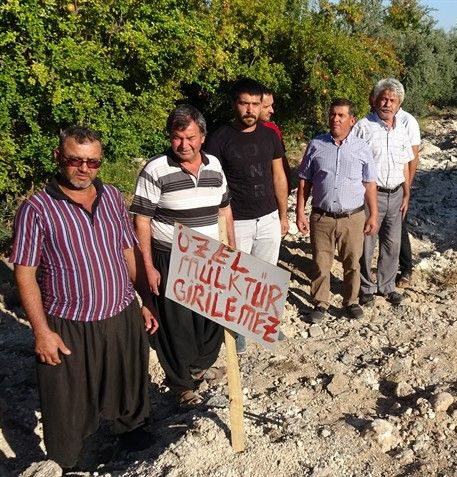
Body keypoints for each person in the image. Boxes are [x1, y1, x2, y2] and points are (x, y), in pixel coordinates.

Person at [11, 126, 158, 469]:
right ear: (58, 158)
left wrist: (146, 302)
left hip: (120, 310)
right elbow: (25, 273)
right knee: (68, 400)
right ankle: (70, 460)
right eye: (75, 160)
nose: (83, 169)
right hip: (68, 321)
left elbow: (128, 251)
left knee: (128, 380)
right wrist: (41, 332)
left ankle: (132, 431)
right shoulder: (37, 208)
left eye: (92, 163)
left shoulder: (112, 198)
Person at [131, 104, 236, 407]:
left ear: (202, 136)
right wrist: (147, 266)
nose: (184, 145)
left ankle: (199, 368)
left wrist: (233, 250)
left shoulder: (215, 165)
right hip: (172, 256)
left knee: (211, 320)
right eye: (177, 138)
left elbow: (225, 208)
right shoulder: (156, 169)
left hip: (212, 257)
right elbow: (141, 220)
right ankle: (181, 385)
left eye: (190, 137)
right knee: (177, 326)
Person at [205, 78, 288, 353]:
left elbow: (278, 175)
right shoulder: (219, 138)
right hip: (235, 219)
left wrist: (283, 214)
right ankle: (236, 328)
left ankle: (265, 323)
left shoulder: (270, 135)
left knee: (267, 273)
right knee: (237, 276)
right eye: (245, 103)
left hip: (268, 217)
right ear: (235, 104)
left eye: (255, 104)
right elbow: (211, 182)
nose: (250, 109)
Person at [296, 99, 379, 323]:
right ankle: (320, 302)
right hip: (321, 216)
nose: (335, 119)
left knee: (352, 262)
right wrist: (300, 213)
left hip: (353, 217)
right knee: (321, 262)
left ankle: (350, 301)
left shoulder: (362, 148)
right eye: (332, 115)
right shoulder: (316, 144)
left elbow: (370, 183)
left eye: (341, 116)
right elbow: (304, 181)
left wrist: (373, 214)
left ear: (352, 120)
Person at [352, 78, 414, 307]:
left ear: (399, 105)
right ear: (374, 100)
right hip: (371, 194)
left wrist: (407, 193)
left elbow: (406, 164)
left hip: (396, 193)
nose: (387, 104)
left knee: (392, 243)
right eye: (383, 99)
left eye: (392, 100)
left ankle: (387, 286)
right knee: (367, 242)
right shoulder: (362, 127)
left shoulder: (402, 129)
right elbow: (353, 161)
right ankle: (366, 287)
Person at [394, 107, 421, 287]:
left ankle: (406, 268)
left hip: (398, 186)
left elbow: (413, 158)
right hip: (375, 187)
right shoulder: (372, 119)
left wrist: (406, 189)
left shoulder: (407, 121)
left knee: (400, 227)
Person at [259, 88, 292, 192]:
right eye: (266, 106)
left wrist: (287, 185)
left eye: (271, 105)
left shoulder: (272, 129)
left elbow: (282, 160)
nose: (272, 110)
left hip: (271, 191)